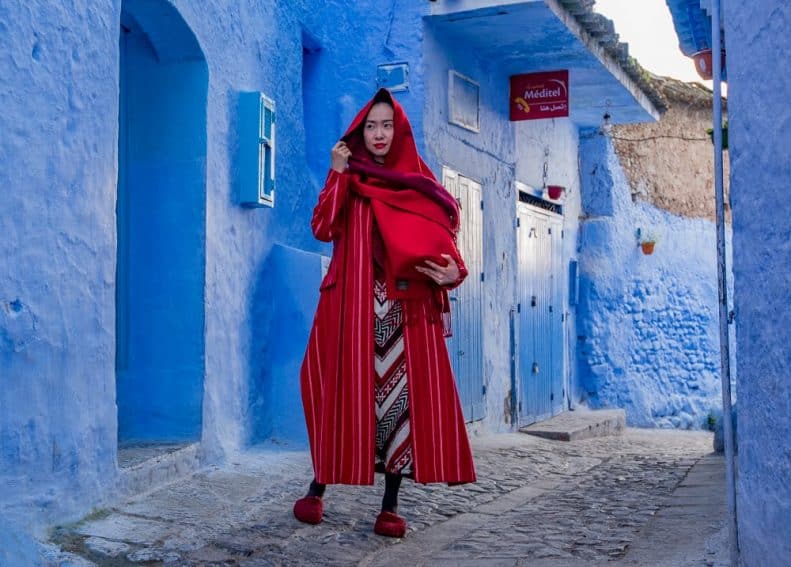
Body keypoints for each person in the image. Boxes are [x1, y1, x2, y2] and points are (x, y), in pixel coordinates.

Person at [294, 88, 476, 538]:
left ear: (400, 130)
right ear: (360, 131)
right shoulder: (349, 178)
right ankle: (317, 489)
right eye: (371, 126)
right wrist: (336, 175)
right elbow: (321, 228)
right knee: (336, 393)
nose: (378, 134)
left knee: (397, 404)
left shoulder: (421, 182)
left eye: (386, 125)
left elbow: (447, 248)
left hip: (404, 312)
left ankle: (390, 505)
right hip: (349, 309)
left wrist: (455, 271)